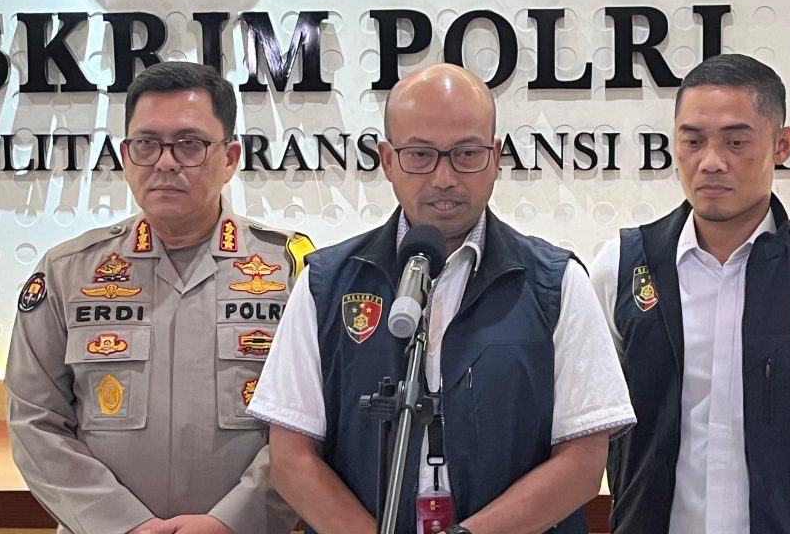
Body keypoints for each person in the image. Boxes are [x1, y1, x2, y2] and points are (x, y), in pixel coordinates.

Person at [248, 64, 635, 534]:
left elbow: (583, 460)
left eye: (467, 154)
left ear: (496, 157)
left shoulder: (555, 283)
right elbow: (292, 456)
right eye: (420, 155)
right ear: (387, 160)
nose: (444, 176)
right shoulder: (326, 284)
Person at [6, 62, 313, 534]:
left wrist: (232, 522)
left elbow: (310, 420)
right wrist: (123, 525)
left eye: (189, 144)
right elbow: (35, 420)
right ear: (126, 156)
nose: (165, 162)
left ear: (230, 158)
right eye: (147, 144)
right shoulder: (68, 272)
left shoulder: (292, 270)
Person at [590, 53, 790, 534]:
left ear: (782, 144)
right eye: (693, 141)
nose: (711, 162)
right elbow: (604, 413)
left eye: (736, 141)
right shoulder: (622, 266)